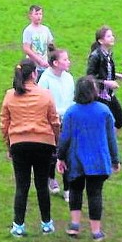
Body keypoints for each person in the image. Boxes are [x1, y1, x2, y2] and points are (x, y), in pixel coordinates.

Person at [0, 59, 60, 237]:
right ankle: (46, 224)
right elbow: (54, 121)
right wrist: (55, 140)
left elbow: (4, 123)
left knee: (22, 185)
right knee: (42, 184)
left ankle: (18, 225)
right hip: (43, 143)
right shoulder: (46, 94)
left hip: (19, 143)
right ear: (34, 74)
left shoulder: (10, 95)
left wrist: (9, 144)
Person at [56, 76, 121, 242]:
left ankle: (75, 225)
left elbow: (65, 138)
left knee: (76, 190)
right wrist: (115, 159)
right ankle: (96, 231)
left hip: (76, 160)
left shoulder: (71, 112)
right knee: (95, 194)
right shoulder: (104, 111)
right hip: (98, 161)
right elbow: (111, 138)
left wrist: (60, 157)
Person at [38, 48, 75, 200]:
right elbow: (42, 102)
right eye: (65, 60)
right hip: (52, 121)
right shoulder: (45, 79)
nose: (69, 62)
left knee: (67, 153)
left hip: (67, 120)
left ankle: (68, 188)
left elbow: (72, 98)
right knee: (52, 152)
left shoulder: (68, 78)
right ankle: (50, 177)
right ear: (55, 63)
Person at [87, 26, 122, 130]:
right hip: (100, 95)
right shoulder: (96, 56)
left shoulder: (108, 54)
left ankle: (109, 138)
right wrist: (106, 83)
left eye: (112, 35)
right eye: (109, 36)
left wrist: (118, 76)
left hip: (109, 94)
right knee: (102, 123)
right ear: (101, 40)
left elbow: (106, 71)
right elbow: (89, 78)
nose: (112, 38)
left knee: (120, 120)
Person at [22, 5, 54, 79]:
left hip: (45, 65)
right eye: (36, 14)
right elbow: (26, 48)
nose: (39, 16)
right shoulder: (28, 30)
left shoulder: (45, 29)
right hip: (33, 66)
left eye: (40, 14)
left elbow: (51, 45)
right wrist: (39, 60)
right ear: (30, 16)